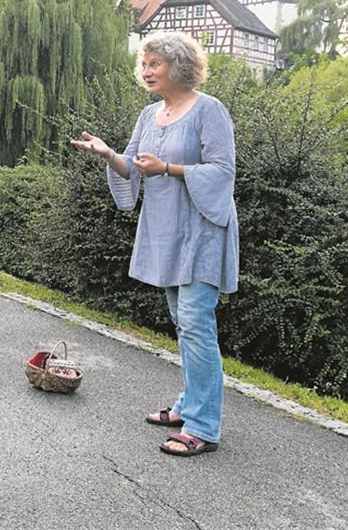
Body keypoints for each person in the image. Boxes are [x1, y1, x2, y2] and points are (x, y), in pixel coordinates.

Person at [70, 31, 238, 458]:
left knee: (198, 325)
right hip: (164, 231)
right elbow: (132, 167)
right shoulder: (149, 116)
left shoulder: (209, 110)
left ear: (178, 67)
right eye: (143, 64)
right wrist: (109, 154)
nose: (145, 71)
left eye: (154, 64)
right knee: (183, 324)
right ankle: (189, 405)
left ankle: (203, 426)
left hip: (201, 231)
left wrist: (169, 167)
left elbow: (222, 171)